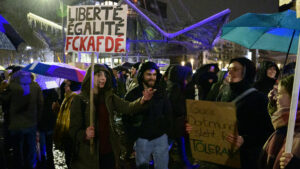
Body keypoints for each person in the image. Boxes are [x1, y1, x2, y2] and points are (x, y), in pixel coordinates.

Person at [68, 64, 155, 169]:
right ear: (90, 77)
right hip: (89, 156)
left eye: (105, 75)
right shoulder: (80, 100)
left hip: (109, 152)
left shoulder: (109, 97)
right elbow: (73, 130)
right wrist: (84, 134)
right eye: (99, 75)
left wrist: (142, 100)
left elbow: (127, 107)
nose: (103, 78)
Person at [218, 57, 274, 169]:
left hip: (246, 160)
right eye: (229, 69)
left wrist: (245, 140)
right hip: (223, 156)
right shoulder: (222, 94)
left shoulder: (259, 99)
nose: (230, 72)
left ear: (246, 72)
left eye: (235, 69)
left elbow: (268, 133)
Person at [125, 62, 172, 169]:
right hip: (142, 138)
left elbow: (168, 112)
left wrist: (166, 130)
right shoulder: (133, 94)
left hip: (160, 137)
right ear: (142, 75)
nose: (152, 77)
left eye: (154, 74)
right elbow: (127, 117)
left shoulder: (161, 92)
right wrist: (132, 139)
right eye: (149, 74)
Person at [0, 70, 43, 169]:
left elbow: (5, 103)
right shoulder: (36, 87)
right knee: (30, 151)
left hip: (15, 126)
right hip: (31, 124)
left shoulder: (12, 87)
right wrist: (37, 121)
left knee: (17, 151)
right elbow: (40, 105)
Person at [259, 75, 300, 169]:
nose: (276, 97)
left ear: (296, 97)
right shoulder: (283, 124)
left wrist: (295, 165)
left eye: (280, 93)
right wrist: (272, 104)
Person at [166, 65, 197, 169]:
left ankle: (185, 163)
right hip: (175, 123)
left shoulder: (170, 85)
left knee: (179, 142)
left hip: (174, 123)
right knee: (173, 143)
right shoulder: (176, 88)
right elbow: (176, 106)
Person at [53, 80, 81, 169]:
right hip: (66, 133)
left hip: (70, 134)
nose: (65, 87)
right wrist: (57, 109)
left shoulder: (74, 99)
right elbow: (64, 115)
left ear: (72, 88)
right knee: (68, 158)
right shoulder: (67, 98)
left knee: (71, 159)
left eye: (67, 85)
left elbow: (72, 117)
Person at [38, 88, 59, 169]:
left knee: (43, 147)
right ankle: (50, 164)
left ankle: (44, 163)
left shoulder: (39, 92)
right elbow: (56, 106)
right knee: (49, 147)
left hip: (42, 123)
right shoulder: (53, 92)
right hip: (50, 122)